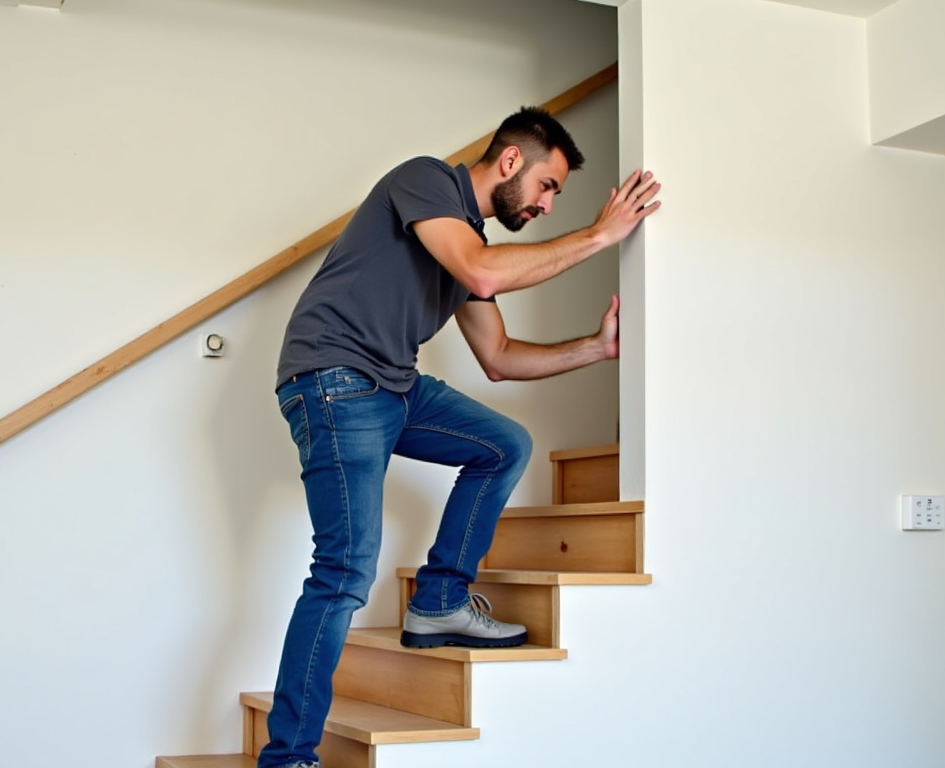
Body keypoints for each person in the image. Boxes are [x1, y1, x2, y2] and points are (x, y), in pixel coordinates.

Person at [261, 106, 661, 768]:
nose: (546, 205)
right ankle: (288, 758)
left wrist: (594, 348)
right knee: (344, 573)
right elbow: (482, 272)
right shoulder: (425, 182)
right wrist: (600, 236)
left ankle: (440, 601)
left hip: (390, 385)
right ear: (510, 162)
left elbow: (499, 356)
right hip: (333, 377)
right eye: (547, 187)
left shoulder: (464, 242)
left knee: (503, 444)